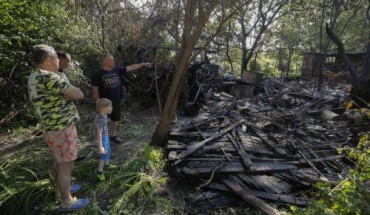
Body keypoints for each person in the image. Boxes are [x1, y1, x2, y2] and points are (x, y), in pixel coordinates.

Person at [27, 44, 89, 212]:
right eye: (55, 58)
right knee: (66, 165)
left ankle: (61, 191)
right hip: (61, 127)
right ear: (48, 60)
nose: (58, 61)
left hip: (50, 127)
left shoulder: (34, 76)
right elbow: (78, 94)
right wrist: (67, 94)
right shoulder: (49, 77)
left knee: (58, 161)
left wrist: (65, 95)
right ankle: (67, 201)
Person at [91, 53, 152, 144]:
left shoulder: (117, 70)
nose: (113, 61)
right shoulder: (98, 73)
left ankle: (113, 136)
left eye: (113, 59)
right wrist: (98, 101)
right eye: (111, 59)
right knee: (102, 121)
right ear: (104, 61)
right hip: (104, 102)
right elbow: (95, 88)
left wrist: (143, 64)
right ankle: (102, 139)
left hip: (116, 100)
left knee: (114, 119)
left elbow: (131, 67)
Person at [94, 98, 118, 181]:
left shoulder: (104, 115)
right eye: (109, 107)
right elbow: (99, 134)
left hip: (106, 136)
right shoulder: (100, 120)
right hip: (102, 138)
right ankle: (99, 171)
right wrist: (100, 147)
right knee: (103, 154)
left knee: (108, 150)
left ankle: (107, 165)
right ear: (103, 109)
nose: (111, 108)